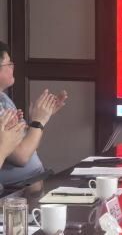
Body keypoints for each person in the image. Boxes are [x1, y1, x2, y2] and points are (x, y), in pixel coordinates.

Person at [0, 41, 67, 185]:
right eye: (8, 64)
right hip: (16, 189)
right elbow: (22, 156)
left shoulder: (4, 99)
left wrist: (38, 120)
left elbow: (29, 146)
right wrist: (38, 121)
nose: (12, 67)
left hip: (36, 179)